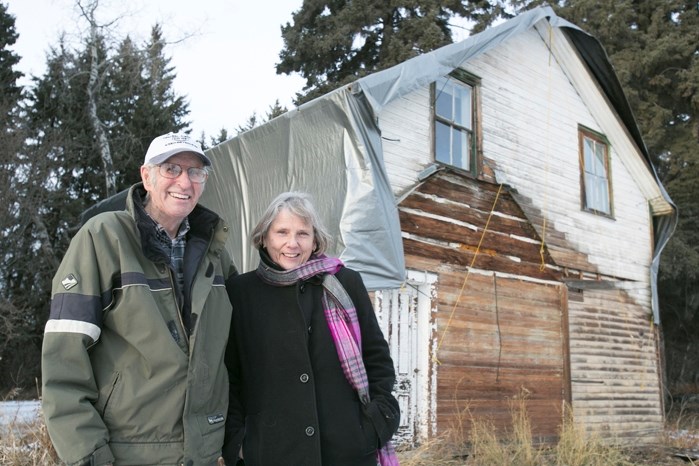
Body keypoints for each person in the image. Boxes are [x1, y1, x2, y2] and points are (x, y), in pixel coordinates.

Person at [41, 132, 237, 466]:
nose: (184, 182)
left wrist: (232, 442)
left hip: (205, 453)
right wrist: (89, 456)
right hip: (127, 451)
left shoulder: (214, 252)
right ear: (146, 176)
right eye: (171, 169)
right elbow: (64, 361)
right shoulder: (104, 237)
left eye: (195, 172)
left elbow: (237, 350)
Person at [222, 191, 400, 466]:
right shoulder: (240, 292)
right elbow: (229, 376)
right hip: (270, 452)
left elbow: (376, 358)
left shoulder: (344, 283)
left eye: (303, 234)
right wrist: (240, 443)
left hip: (346, 451)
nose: (292, 243)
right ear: (264, 237)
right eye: (282, 232)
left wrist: (376, 423)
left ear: (315, 239)